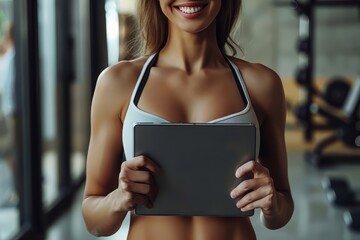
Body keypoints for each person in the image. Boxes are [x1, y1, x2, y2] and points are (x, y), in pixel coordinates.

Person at [82, 1, 294, 239]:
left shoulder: (262, 85)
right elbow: (94, 221)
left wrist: (272, 202)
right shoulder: (117, 83)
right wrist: (118, 198)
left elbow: (282, 212)